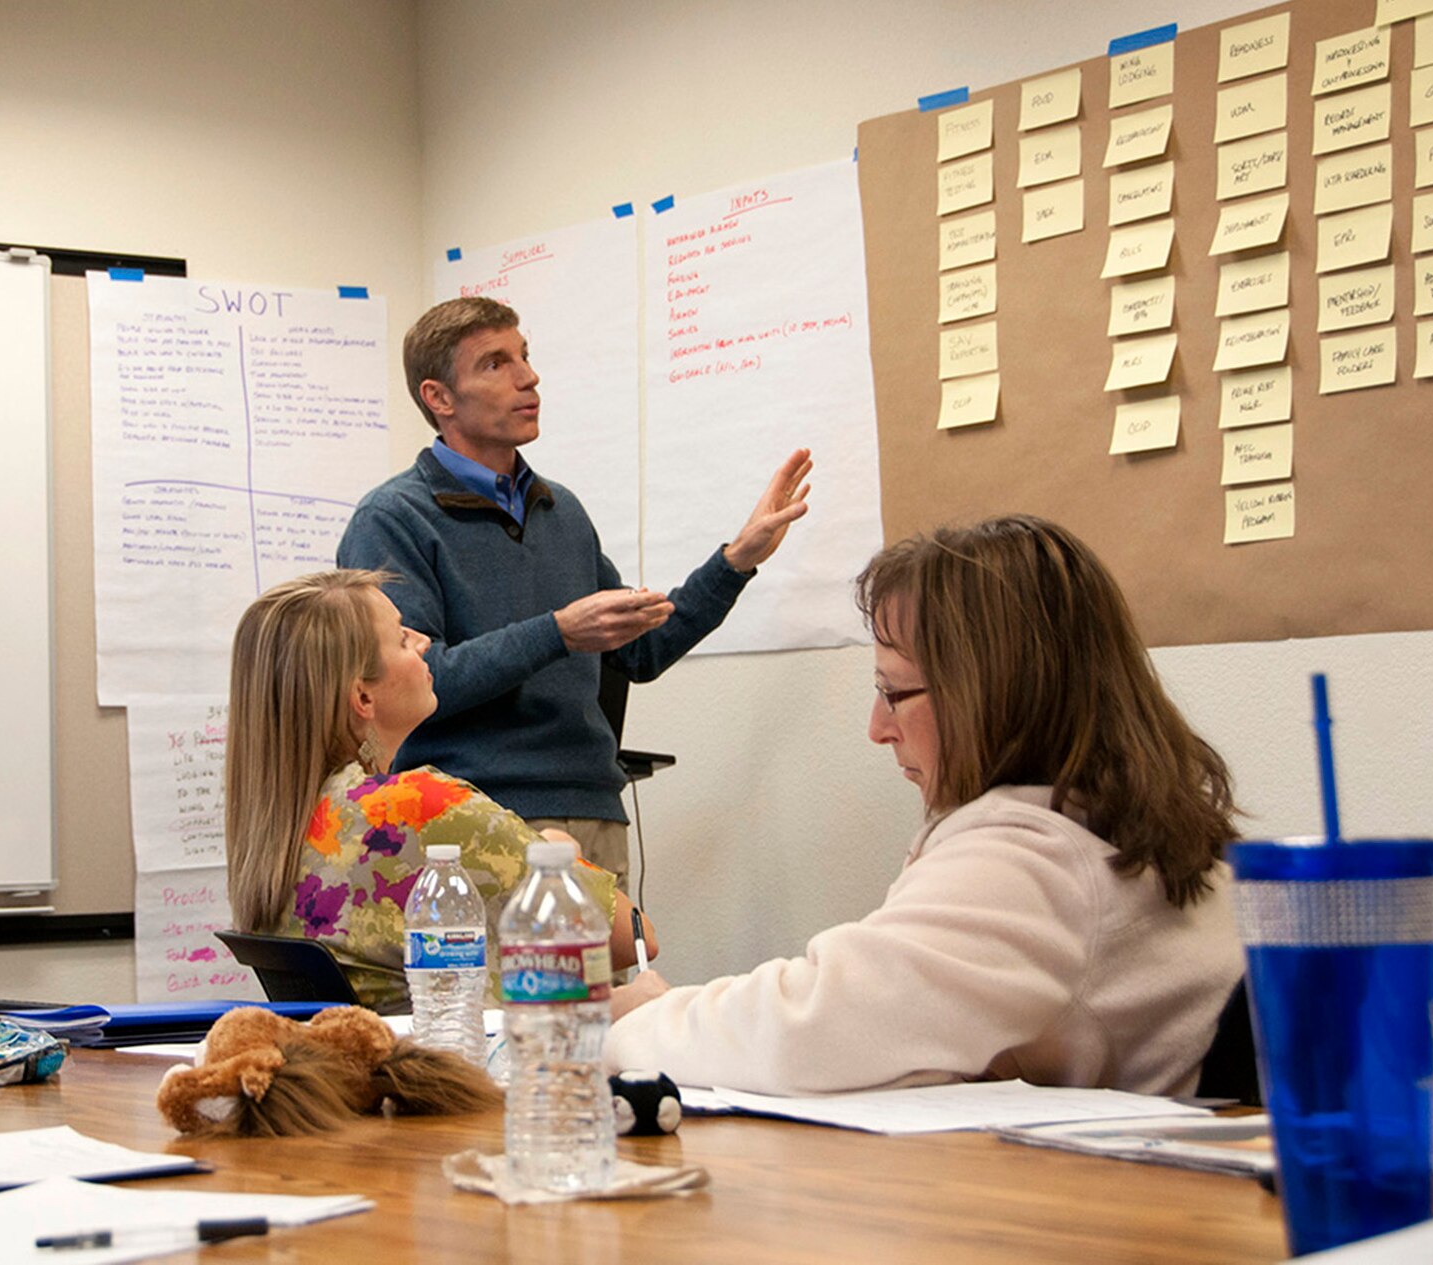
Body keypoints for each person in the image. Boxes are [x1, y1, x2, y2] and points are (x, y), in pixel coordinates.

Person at [605, 515, 1243, 1097]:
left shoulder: (1033, 860)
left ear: (990, 694)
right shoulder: (1111, 820)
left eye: (893, 692)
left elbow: (817, 1028)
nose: (878, 729)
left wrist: (646, 1016)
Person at [337, 296, 812, 888]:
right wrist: (557, 632)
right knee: (486, 987)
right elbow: (415, 681)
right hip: (469, 816)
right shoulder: (393, 518)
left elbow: (641, 651)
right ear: (439, 398)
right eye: (495, 363)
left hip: (594, 807)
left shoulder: (562, 510)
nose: (528, 377)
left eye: (525, 357)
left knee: (617, 985)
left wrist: (737, 561)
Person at [224, 569, 656, 1012]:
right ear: (364, 698)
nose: (424, 642)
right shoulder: (416, 808)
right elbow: (630, 937)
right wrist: (555, 850)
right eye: (401, 638)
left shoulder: (274, 834)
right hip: (460, 1067)